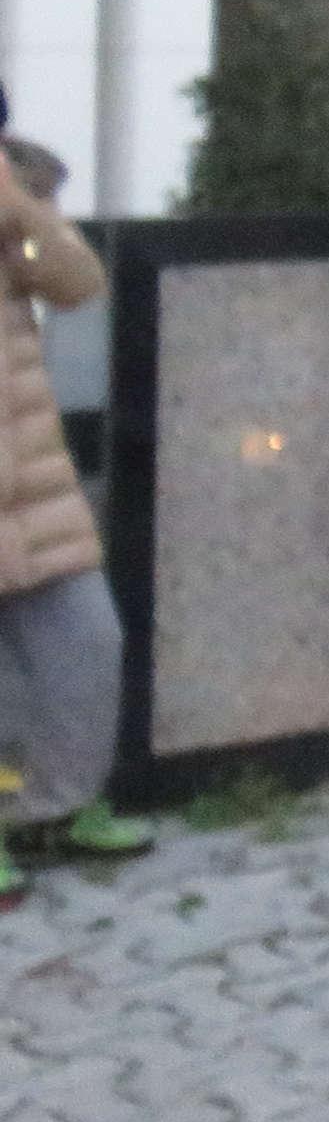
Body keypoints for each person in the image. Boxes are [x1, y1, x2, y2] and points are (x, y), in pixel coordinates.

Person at [0, 90, 154, 908]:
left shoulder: (10, 213)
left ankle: (54, 808)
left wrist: (20, 205)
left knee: (87, 648)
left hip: (36, 494)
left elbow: (78, 281)